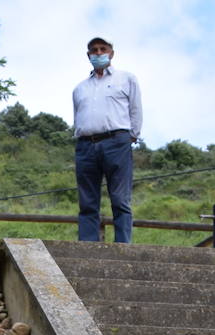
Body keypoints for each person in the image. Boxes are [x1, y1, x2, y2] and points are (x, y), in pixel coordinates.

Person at [73, 37, 142, 243]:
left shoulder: (126, 79)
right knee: (87, 201)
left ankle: (123, 246)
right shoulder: (80, 88)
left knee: (120, 199)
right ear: (88, 55)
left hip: (117, 141)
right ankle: (87, 246)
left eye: (103, 49)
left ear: (111, 53)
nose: (98, 53)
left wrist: (131, 136)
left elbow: (135, 110)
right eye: (94, 50)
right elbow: (77, 116)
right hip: (86, 144)